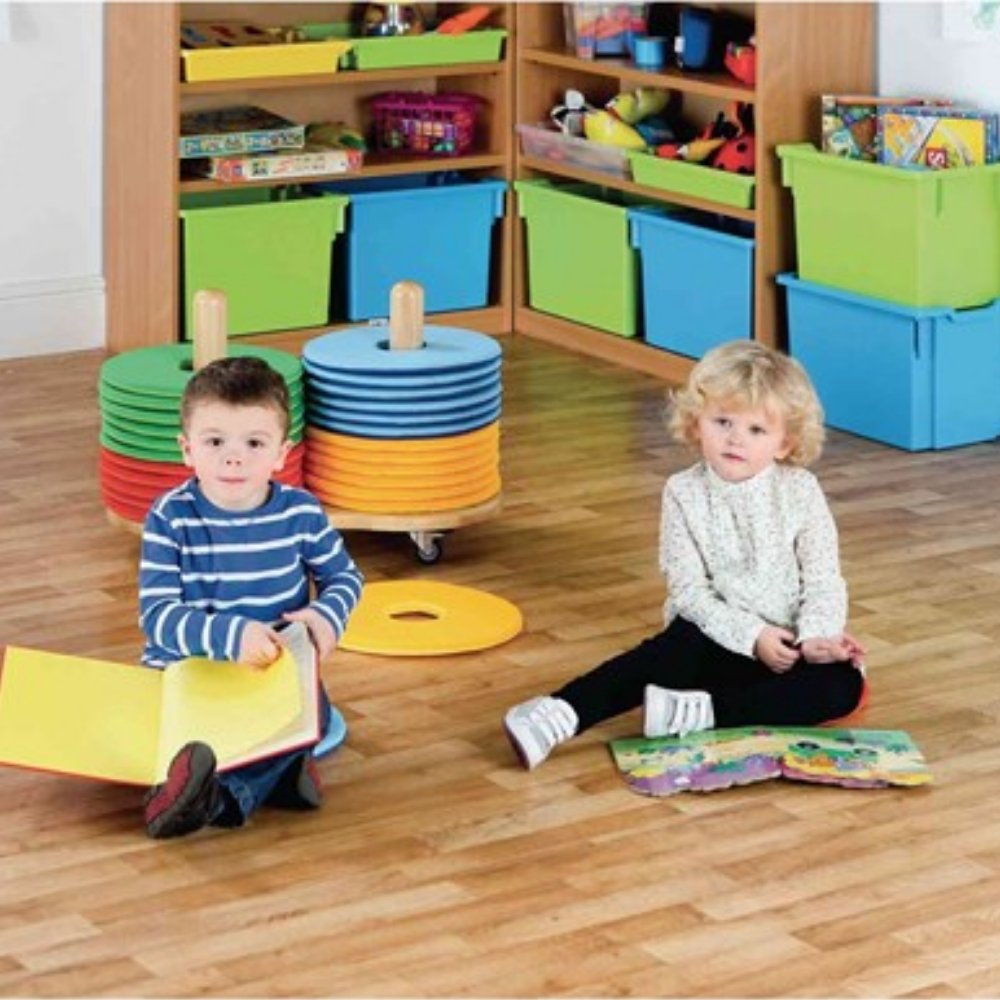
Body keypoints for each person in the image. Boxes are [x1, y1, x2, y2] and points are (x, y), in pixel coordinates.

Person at [504, 340, 866, 770]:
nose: (735, 439)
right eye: (723, 421)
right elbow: (690, 592)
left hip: (789, 647)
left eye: (756, 430)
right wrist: (752, 635)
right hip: (713, 639)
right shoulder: (683, 492)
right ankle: (561, 714)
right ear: (697, 424)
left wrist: (817, 639)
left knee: (841, 685)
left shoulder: (801, 491)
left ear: (784, 443)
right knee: (668, 651)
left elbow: (824, 578)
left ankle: (704, 713)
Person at [138, 356, 364, 837]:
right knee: (166, 738)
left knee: (312, 714)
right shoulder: (170, 516)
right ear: (187, 449)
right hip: (187, 673)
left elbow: (346, 578)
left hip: (270, 675)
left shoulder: (301, 513)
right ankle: (276, 774)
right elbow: (156, 616)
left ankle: (221, 797)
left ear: (281, 453)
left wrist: (324, 619)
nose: (233, 457)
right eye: (215, 441)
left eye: (254, 443)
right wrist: (229, 634)